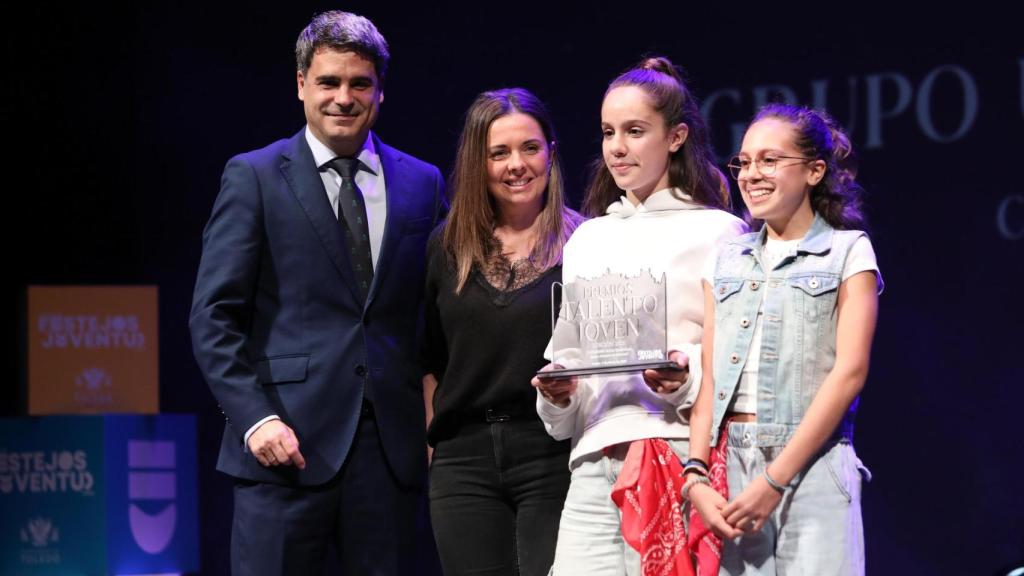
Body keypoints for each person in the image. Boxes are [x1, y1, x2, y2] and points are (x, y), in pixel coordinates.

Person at [188, 10, 447, 575]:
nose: (343, 98)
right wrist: (255, 419)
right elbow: (213, 316)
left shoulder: (423, 182)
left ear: (380, 90)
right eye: (328, 82)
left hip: (391, 456)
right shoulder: (253, 176)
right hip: (284, 448)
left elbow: (436, 317)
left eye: (359, 83)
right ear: (301, 84)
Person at [532, 57, 745, 576]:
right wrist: (556, 393)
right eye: (608, 132)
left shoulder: (720, 234)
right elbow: (572, 361)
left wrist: (681, 377)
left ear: (676, 137)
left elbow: (737, 364)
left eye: (634, 131)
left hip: (671, 450)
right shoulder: (588, 237)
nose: (617, 148)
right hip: (592, 457)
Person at [685, 103, 882, 575]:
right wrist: (695, 476)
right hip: (730, 467)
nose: (751, 174)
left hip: (813, 465)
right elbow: (710, 376)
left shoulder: (847, 252)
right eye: (745, 161)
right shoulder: (727, 257)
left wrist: (774, 479)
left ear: (815, 171)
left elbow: (849, 373)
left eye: (770, 160)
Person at [421, 87, 583, 576]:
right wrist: (436, 451)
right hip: (462, 461)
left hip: (553, 454)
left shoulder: (586, 243)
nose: (517, 164)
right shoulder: (446, 247)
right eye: (499, 153)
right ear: (479, 163)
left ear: (551, 154)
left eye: (530, 148)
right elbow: (429, 360)